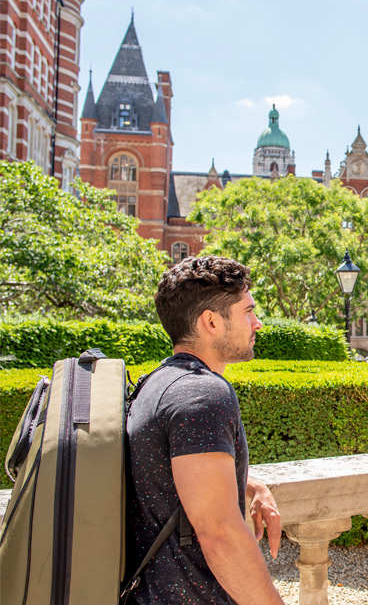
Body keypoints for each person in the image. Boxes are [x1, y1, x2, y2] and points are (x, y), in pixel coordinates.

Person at [125, 256, 284, 604]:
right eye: (248, 311)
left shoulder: (156, 382)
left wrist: (246, 482)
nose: (257, 323)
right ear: (211, 321)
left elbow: (163, 473)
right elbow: (220, 534)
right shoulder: (202, 393)